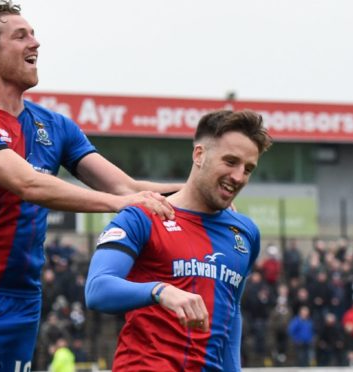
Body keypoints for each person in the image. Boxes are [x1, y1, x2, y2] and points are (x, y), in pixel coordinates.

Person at [0, 1, 181, 371]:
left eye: (34, 34)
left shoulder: (57, 127)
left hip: (19, 299)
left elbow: (124, 185)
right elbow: (27, 183)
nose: (35, 43)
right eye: (21, 36)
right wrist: (120, 203)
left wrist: (198, 192)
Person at [85, 110, 272, 371]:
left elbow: (232, 312)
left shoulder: (245, 233)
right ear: (199, 155)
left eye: (248, 169)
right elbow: (97, 289)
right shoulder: (142, 215)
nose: (239, 177)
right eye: (230, 161)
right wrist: (161, 291)